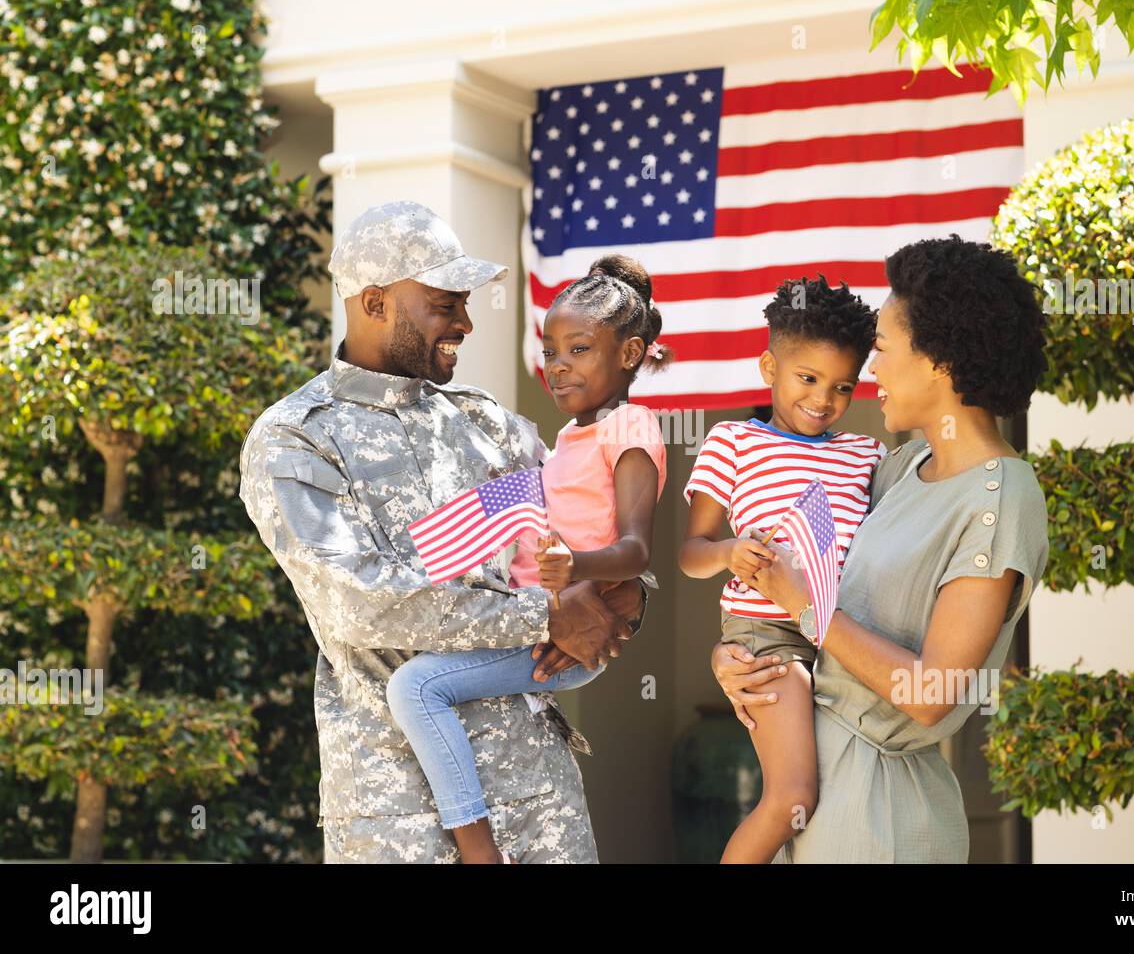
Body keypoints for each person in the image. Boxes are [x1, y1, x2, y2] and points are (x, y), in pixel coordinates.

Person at [239, 201, 646, 863]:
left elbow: (579, 523)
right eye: (443, 302)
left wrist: (622, 598)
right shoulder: (297, 437)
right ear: (374, 303)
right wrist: (544, 613)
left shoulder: (487, 425)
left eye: (464, 300)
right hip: (400, 816)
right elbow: (361, 599)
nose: (466, 321)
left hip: (538, 799)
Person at [711, 234, 1050, 863]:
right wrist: (736, 655)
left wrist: (806, 607)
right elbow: (805, 603)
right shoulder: (902, 468)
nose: (872, 370)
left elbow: (931, 693)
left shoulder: (1002, 497)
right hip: (812, 794)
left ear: (939, 361)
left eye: (885, 350)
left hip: (880, 817)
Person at [385, 253, 672, 863]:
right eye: (551, 351)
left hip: (563, 626)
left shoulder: (631, 426)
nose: (559, 366)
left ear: (629, 354)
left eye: (579, 350)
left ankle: (477, 849)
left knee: (415, 686)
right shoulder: (570, 435)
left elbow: (637, 548)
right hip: (536, 609)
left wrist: (576, 570)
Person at [679, 275, 883, 863]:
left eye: (843, 386)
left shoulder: (865, 454)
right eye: (808, 378)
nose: (823, 399)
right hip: (769, 639)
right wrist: (727, 552)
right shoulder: (734, 442)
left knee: (843, 796)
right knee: (792, 794)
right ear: (770, 367)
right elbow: (691, 553)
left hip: (843, 634)